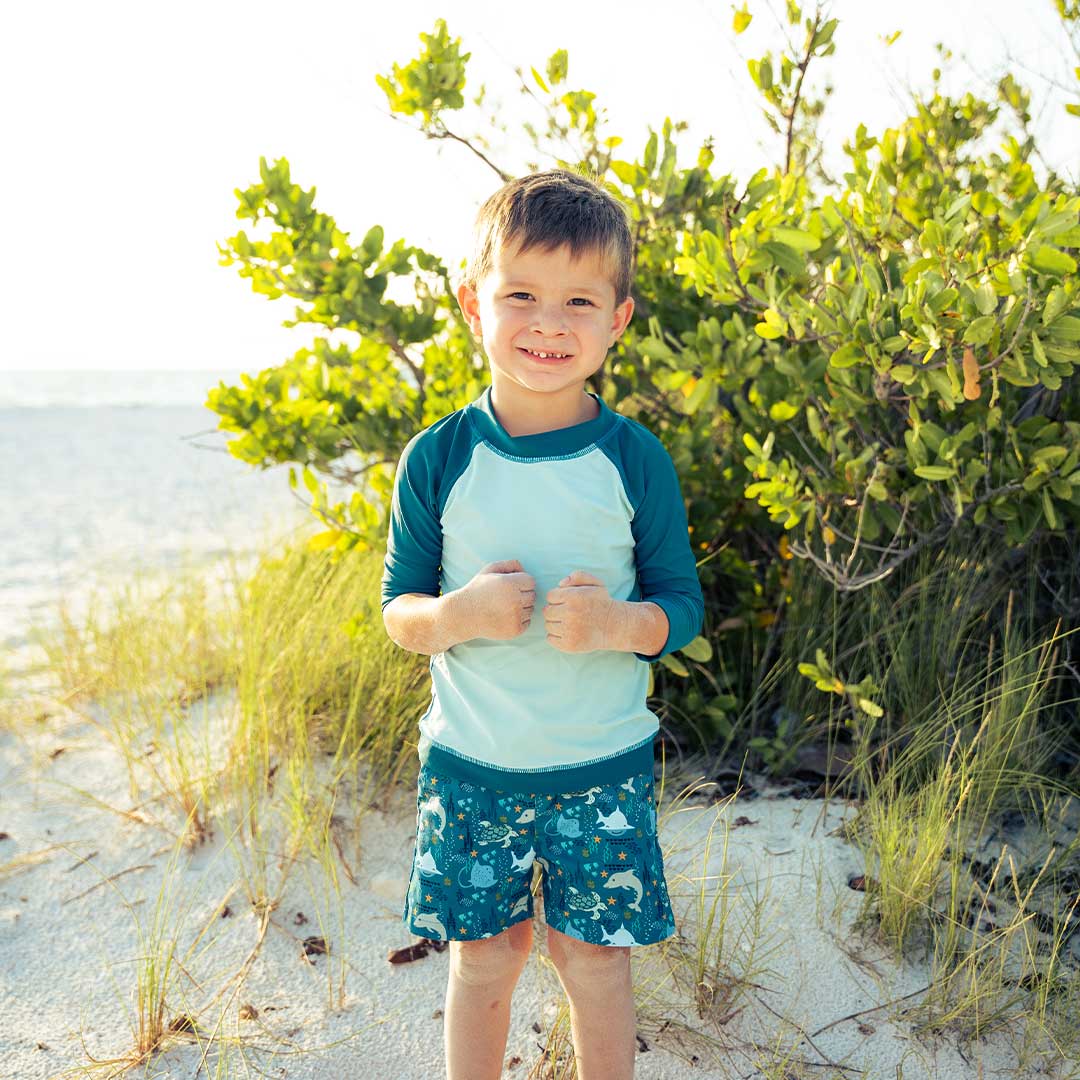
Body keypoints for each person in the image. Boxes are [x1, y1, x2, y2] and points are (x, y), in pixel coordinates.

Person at [381, 167, 705, 1080]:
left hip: (600, 769)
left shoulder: (634, 460)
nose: (549, 324)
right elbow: (400, 611)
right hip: (473, 767)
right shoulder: (439, 457)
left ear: (619, 318)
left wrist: (617, 626)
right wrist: (458, 614)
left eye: (578, 300)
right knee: (485, 958)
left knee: (595, 962)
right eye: (519, 294)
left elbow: (680, 608)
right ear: (473, 307)